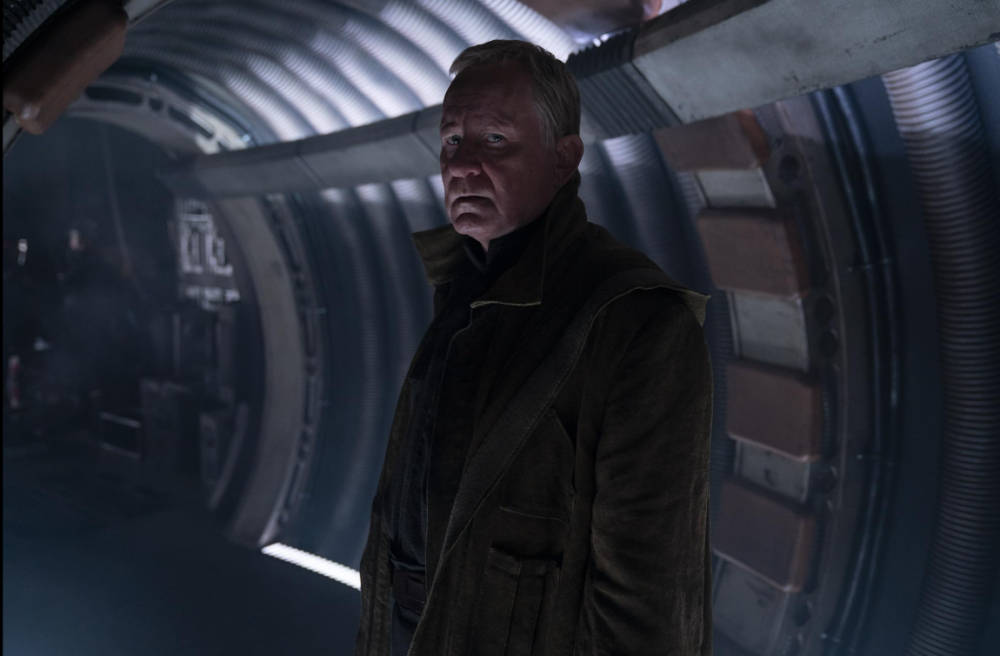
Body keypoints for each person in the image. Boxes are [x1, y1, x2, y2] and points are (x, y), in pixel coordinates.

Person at [354, 40, 713, 656]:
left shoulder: (639, 322)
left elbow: (647, 602)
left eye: (494, 139)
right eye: (452, 141)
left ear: (563, 158)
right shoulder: (464, 287)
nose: (462, 165)